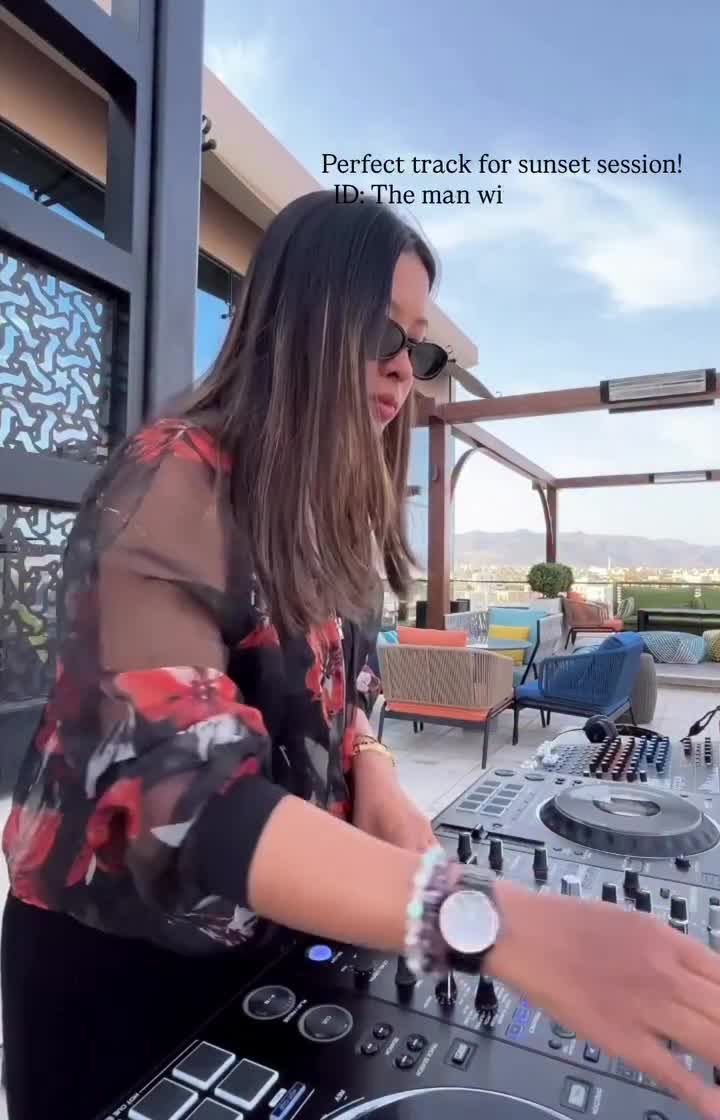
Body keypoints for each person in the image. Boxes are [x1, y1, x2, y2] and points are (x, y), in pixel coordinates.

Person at [3, 191, 720, 1120]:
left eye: (420, 349)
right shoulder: (171, 478)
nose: (402, 369)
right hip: (125, 969)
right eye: (383, 331)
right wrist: (496, 923)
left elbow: (342, 698)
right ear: (300, 316)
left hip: (277, 932)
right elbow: (185, 799)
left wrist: (372, 764)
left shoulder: (320, 512)